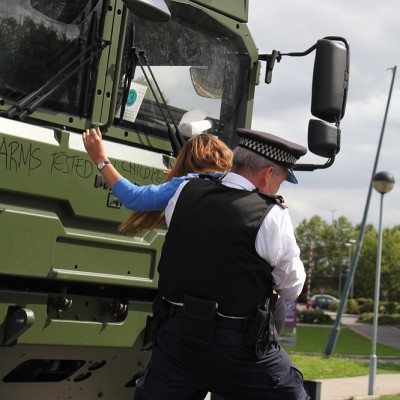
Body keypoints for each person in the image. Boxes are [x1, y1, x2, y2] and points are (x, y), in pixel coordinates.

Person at [133, 128, 309, 400]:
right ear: (267, 174)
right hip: (238, 350)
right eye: (281, 181)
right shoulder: (272, 215)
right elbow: (292, 288)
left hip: (176, 342)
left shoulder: (183, 191)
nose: (278, 188)